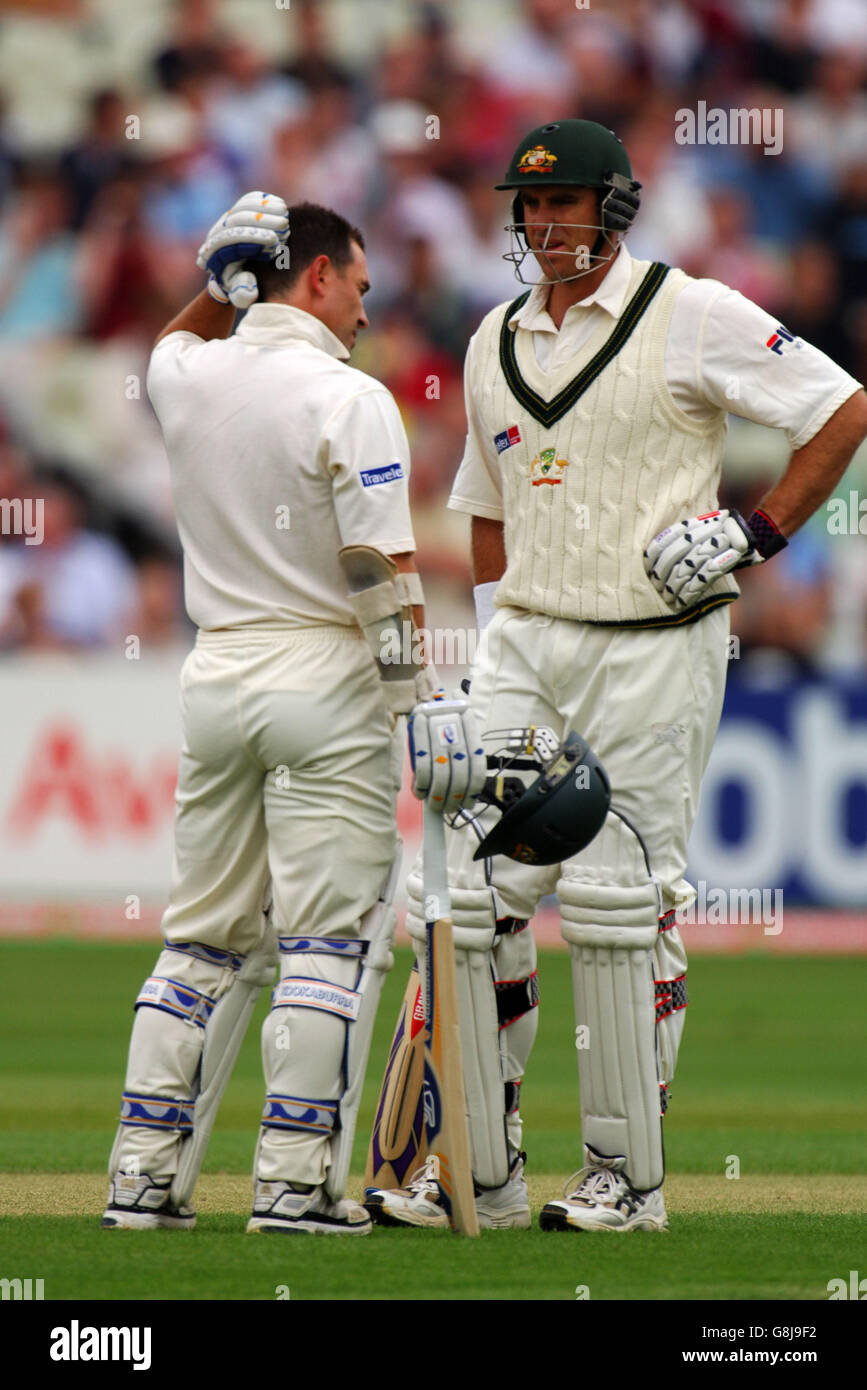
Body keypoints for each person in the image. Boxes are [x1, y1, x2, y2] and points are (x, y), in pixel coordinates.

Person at [365, 119, 867, 1233]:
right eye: (530, 207)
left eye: (567, 205)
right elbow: (486, 518)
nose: (544, 224)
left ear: (616, 209)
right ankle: (475, 1172)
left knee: (616, 907)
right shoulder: (494, 339)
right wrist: (489, 652)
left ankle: (623, 1181)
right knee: (461, 897)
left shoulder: (689, 312)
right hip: (526, 645)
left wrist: (758, 529)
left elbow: (842, 407)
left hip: (654, 640)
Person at [102, 193, 445, 1235]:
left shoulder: (189, 374)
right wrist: (417, 710)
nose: (366, 314)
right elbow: (378, 573)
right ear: (321, 276)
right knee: (325, 946)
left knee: (199, 940)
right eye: (359, 287)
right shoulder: (349, 397)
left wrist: (219, 288)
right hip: (325, 677)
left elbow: (174, 337)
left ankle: (140, 1179)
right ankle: (294, 1184)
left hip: (217, 675)